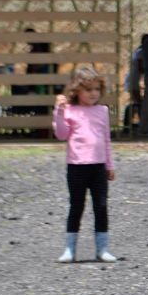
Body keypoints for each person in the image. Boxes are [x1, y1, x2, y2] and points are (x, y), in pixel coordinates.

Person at [52, 66, 117, 263]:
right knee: (76, 206)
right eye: (88, 89)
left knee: (101, 206)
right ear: (76, 90)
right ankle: (69, 250)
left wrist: (109, 165)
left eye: (97, 89)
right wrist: (59, 112)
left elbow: (106, 139)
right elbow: (61, 134)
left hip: (98, 167)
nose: (93, 93)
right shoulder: (69, 111)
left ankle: (102, 249)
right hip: (77, 167)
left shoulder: (102, 111)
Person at [123, 34, 148, 129]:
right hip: (132, 81)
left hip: (133, 80)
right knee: (138, 102)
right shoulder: (141, 52)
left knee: (138, 102)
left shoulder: (139, 51)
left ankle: (132, 123)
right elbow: (141, 66)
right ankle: (132, 124)